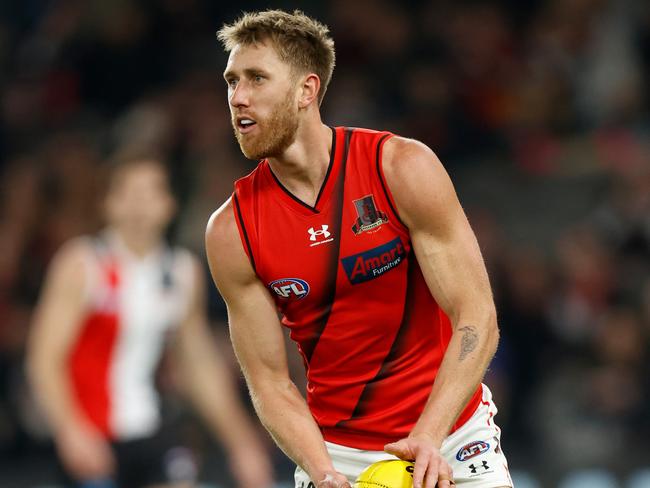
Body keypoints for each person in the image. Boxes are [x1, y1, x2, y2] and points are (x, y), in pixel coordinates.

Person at [206, 9, 512, 488]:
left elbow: (476, 317)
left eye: (256, 79)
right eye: (231, 82)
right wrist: (323, 473)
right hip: (337, 455)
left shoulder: (400, 168)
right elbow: (269, 383)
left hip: (450, 435)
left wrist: (427, 437)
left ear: (306, 91)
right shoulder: (232, 229)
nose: (238, 98)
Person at [27, 156, 274, 488]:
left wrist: (241, 442)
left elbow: (198, 365)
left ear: (169, 204)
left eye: (151, 192)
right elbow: (44, 358)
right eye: (128, 192)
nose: (140, 204)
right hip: (92, 436)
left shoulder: (182, 272)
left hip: (153, 429)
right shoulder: (83, 264)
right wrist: (70, 429)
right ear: (108, 203)